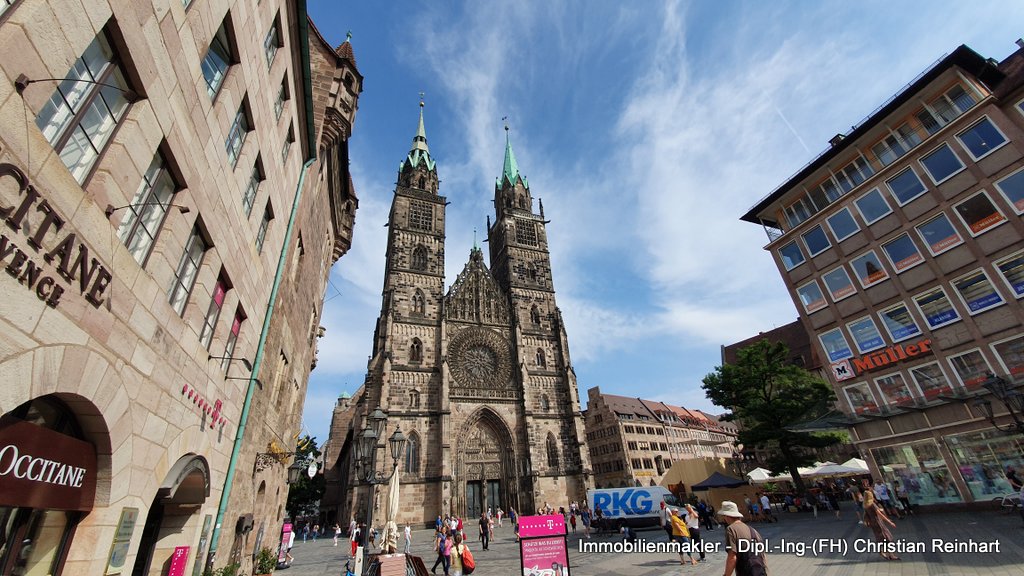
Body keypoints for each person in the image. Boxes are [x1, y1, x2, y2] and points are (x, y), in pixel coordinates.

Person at [719, 500, 767, 576]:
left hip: (746, 571)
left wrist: (726, 575)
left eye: (723, 516)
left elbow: (732, 557)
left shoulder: (731, 529)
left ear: (727, 516)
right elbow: (762, 554)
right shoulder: (752, 529)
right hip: (759, 570)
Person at [863, 491, 899, 561]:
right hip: (878, 522)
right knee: (886, 537)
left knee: (880, 537)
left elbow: (866, 514)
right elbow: (880, 514)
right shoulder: (872, 504)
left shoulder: (865, 504)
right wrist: (889, 522)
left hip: (873, 523)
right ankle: (890, 555)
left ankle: (882, 552)